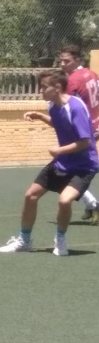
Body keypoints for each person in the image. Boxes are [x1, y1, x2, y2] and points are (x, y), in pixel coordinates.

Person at [0, 69, 98, 256]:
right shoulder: (53, 106)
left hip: (84, 166)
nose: (40, 91)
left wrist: (59, 150)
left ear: (57, 87)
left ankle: (60, 239)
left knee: (65, 200)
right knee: (30, 196)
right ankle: (24, 240)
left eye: (44, 87)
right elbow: (59, 122)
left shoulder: (76, 107)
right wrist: (40, 116)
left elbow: (85, 142)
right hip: (62, 163)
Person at [59, 43, 99, 225]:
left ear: (77, 60)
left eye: (66, 61)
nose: (62, 64)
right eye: (61, 60)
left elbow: (67, 106)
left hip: (82, 131)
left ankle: (93, 204)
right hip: (95, 126)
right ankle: (91, 205)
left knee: (65, 170)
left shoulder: (73, 80)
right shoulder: (92, 74)